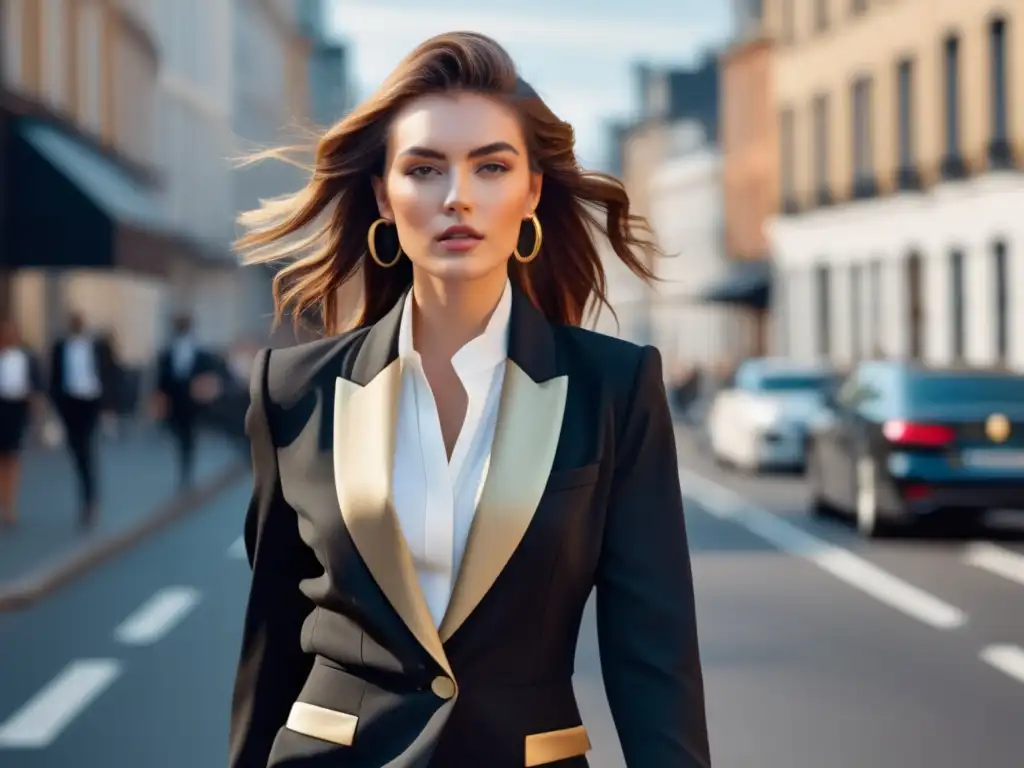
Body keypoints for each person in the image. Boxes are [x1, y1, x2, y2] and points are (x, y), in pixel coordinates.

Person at [228, 32, 710, 768]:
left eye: (491, 166)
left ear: (532, 191)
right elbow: (270, 649)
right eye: (424, 169)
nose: (458, 197)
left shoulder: (616, 390)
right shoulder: (293, 392)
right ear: (384, 196)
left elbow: (655, 660)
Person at [48, 313, 115, 529]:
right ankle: (87, 499)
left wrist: (107, 405)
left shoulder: (96, 347)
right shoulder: (60, 347)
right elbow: (55, 377)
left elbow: (109, 373)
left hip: (90, 402)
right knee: (77, 452)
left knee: (86, 452)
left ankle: (89, 502)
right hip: (70, 403)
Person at [152, 314, 219, 488]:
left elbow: (206, 375)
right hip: (175, 397)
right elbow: (162, 377)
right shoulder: (169, 350)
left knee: (188, 434)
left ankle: (186, 468)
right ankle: (184, 459)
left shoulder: (197, 350)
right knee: (177, 431)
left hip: (191, 398)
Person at [0, 319, 44, 529]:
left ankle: (10, 504)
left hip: (16, 409)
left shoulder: (26, 358)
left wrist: (36, 409)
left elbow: (36, 386)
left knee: (12, 457)